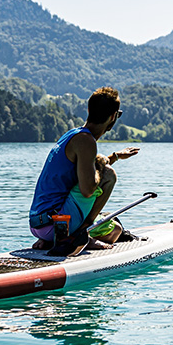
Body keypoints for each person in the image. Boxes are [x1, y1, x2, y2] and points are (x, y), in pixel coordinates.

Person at [29, 86, 139, 255]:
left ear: (89, 110)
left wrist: (114, 157)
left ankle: (54, 239)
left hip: (39, 225)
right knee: (115, 226)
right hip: (58, 225)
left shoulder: (73, 134)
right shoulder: (87, 141)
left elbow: (87, 171)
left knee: (103, 174)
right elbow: (88, 189)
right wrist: (103, 162)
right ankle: (80, 235)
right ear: (113, 117)